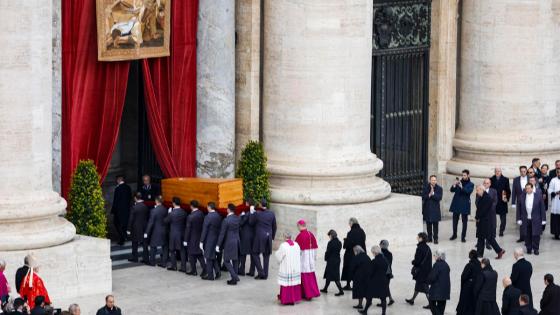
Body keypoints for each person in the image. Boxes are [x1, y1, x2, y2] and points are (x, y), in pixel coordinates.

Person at [475, 185, 506, 259]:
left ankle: (499, 251)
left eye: (477, 190)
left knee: (489, 238)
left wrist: (477, 217)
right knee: (480, 237)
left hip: (486, 221)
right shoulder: (481, 197)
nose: (476, 192)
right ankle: (479, 254)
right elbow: (478, 208)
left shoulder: (487, 198)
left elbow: (483, 210)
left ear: (482, 190)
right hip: (481, 221)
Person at [249, 199, 276, 280]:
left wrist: (251, 213)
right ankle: (265, 274)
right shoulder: (271, 213)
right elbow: (274, 226)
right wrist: (272, 237)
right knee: (266, 256)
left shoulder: (257, 213)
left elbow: (251, 223)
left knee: (254, 253)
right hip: (268, 236)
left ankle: (261, 273)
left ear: (260, 205)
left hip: (259, 237)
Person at [517, 183, 546, 255]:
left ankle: (536, 249)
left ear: (532, 188)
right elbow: (519, 209)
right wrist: (518, 219)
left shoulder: (538, 196)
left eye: (529, 188)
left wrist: (543, 219)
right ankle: (529, 248)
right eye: (526, 188)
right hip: (525, 219)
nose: (528, 190)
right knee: (527, 235)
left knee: (536, 235)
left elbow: (542, 208)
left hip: (536, 218)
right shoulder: (522, 196)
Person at [294, 220, 320, 300]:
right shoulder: (311, 234)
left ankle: (307, 294)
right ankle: (312, 293)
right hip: (310, 261)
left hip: (303, 260)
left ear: (299, 225)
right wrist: (314, 258)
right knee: (311, 276)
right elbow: (315, 248)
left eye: (297, 226)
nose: (297, 228)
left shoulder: (300, 236)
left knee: (304, 277)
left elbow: (297, 250)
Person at [360, 245, 389, 315]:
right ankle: (383, 313)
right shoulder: (385, 260)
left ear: (375, 253)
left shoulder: (374, 261)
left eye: (372, 252)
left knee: (369, 297)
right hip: (383, 281)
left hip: (374, 282)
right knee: (383, 298)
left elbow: (370, 272)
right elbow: (386, 270)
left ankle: (365, 311)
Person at [406, 232, 432, 308]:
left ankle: (431, 304)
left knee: (425, 288)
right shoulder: (427, 248)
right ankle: (412, 300)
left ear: (421, 238)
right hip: (426, 270)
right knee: (418, 286)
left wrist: (413, 262)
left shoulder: (420, 248)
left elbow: (417, 261)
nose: (417, 237)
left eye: (418, 237)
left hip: (422, 272)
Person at [275, 231, 302, 305]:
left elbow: (279, 255)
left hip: (287, 267)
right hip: (295, 266)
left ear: (284, 237)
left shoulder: (283, 245)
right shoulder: (296, 244)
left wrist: (276, 254)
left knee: (286, 283)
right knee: (294, 283)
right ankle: (295, 298)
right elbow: (300, 254)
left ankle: (286, 299)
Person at [217, 204, 241, 285]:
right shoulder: (237, 218)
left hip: (229, 242)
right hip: (237, 241)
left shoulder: (226, 220)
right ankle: (233, 280)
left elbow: (222, 234)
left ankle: (235, 277)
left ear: (229, 210)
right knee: (235, 260)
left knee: (226, 260)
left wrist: (218, 245)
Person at [341, 217, 366, 290]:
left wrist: (345, 240)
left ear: (352, 223)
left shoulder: (351, 232)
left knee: (349, 268)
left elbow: (348, 245)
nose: (349, 225)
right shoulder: (362, 231)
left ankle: (348, 285)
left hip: (351, 254)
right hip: (361, 254)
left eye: (349, 223)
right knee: (359, 269)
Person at [449, 169, 474, 242]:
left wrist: (461, 186)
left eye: (465, 175)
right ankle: (454, 234)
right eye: (462, 175)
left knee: (464, 221)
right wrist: (454, 184)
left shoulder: (471, 184)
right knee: (454, 221)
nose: (463, 176)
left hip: (464, 204)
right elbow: (451, 190)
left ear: (468, 175)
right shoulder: (459, 182)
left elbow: (468, 192)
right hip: (456, 203)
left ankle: (463, 237)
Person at [144, 195, 168, 267]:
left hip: (156, 231)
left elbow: (151, 222)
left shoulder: (153, 211)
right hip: (164, 230)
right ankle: (164, 263)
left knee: (153, 246)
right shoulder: (165, 209)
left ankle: (152, 262)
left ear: (156, 201)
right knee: (165, 247)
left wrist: (146, 232)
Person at [201, 202, 222, 280]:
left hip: (209, 239)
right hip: (216, 238)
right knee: (212, 256)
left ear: (209, 207)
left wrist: (201, 241)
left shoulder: (208, 217)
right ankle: (217, 272)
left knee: (208, 257)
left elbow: (204, 230)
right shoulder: (218, 215)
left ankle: (210, 276)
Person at [164, 197, 187, 271]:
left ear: (173, 203)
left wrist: (169, 213)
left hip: (173, 234)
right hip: (181, 233)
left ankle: (174, 266)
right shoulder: (184, 212)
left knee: (172, 250)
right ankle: (183, 267)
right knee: (182, 251)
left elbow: (165, 221)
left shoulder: (172, 213)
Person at [184, 200, 206, 276]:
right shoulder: (201, 214)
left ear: (191, 206)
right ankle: (205, 269)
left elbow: (188, 229)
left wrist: (185, 240)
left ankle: (193, 270)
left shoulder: (190, 217)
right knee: (199, 254)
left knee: (191, 254)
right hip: (199, 236)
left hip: (192, 238)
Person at [456, 250, 481, 315]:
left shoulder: (469, 265)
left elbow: (464, 276)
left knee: (466, 301)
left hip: (468, 287)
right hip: (477, 286)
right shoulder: (479, 264)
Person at [127, 192, 150, 263]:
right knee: (144, 244)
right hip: (144, 227)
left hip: (135, 228)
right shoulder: (145, 206)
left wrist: (128, 229)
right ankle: (146, 259)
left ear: (135, 198)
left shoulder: (134, 207)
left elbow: (131, 219)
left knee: (134, 243)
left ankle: (135, 258)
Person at [426, 249, 450, 315]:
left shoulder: (437, 265)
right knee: (441, 307)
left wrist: (427, 281)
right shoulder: (446, 265)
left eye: (435, 255)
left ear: (438, 256)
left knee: (431, 303)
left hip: (437, 289)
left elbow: (432, 277)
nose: (434, 257)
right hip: (445, 290)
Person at [320, 230, 344, 296]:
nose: (329, 237)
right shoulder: (339, 242)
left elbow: (328, 252)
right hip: (337, 260)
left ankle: (341, 291)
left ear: (331, 235)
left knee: (334, 276)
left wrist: (326, 258)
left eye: (329, 236)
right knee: (329, 275)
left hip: (331, 260)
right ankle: (325, 289)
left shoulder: (330, 243)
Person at [111, 175, 132, 245]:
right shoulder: (128, 188)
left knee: (117, 224)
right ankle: (124, 236)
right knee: (124, 225)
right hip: (126, 210)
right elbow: (130, 199)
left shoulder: (118, 189)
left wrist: (113, 210)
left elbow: (115, 201)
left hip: (118, 211)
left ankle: (122, 238)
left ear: (119, 180)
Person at [491, 167, 511, 236]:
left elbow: (508, 190)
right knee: (492, 218)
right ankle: (493, 230)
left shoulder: (505, 179)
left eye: (499, 171)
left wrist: (507, 198)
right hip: (493, 201)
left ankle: (501, 231)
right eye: (496, 171)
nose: (497, 172)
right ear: (494, 172)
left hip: (502, 201)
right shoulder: (491, 179)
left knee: (503, 218)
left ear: (501, 171)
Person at [422, 175, 443, 244]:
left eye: (435, 180)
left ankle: (436, 238)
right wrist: (429, 194)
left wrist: (433, 193)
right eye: (432, 180)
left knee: (435, 226)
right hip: (427, 209)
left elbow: (439, 198)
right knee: (428, 225)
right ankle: (429, 238)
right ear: (429, 180)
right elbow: (423, 197)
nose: (433, 181)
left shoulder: (439, 188)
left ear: (436, 181)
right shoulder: (425, 187)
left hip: (435, 210)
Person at [350, 246, 371, 310]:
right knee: (366, 290)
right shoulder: (367, 256)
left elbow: (352, 267)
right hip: (367, 276)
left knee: (359, 291)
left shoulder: (356, 257)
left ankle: (360, 304)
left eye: (354, 251)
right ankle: (369, 302)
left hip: (358, 276)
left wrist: (351, 276)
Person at [238, 200, 256, 276]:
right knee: (252, 254)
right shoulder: (255, 213)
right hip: (253, 235)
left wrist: (241, 216)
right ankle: (252, 271)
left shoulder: (246, 213)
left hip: (246, 236)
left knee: (243, 253)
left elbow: (241, 223)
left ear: (248, 204)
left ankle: (242, 270)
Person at [513, 166, 529, 243]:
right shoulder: (516, 179)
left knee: (528, 218)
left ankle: (528, 237)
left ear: (526, 171)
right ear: (520, 171)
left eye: (524, 171)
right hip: (520, 201)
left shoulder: (530, 179)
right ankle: (522, 237)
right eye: (521, 171)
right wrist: (513, 202)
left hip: (529, 200)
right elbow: (513, 192)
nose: (523, 172)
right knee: (521, 218)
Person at [482, 178, 499, 249]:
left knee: (491, 228)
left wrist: (489, 208)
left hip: (491, 213)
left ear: (490, 184)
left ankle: (488, 243)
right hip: (482, 213)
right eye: (485, 183)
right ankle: (480, 242)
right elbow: (477, 201)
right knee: (482, 228)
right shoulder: (480, 190)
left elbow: (495, 201)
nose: (486, 184)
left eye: (487, 183)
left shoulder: (494, 191)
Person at [379, 240, 395, 306]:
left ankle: (384, 302)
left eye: (380, 244)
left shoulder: (381, 253)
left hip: (383, 273)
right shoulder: (390, 254)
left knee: (383, 287)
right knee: (385, 287)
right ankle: (390, 299)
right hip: (388, 273)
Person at [548, 168, 560, 239]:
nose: (559, 174)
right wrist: (555, 193)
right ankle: (556, 234)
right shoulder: (553, 180)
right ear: (556, 173)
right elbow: (550, 189)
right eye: (558, 172)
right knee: (556, 218)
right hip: (556, 201)